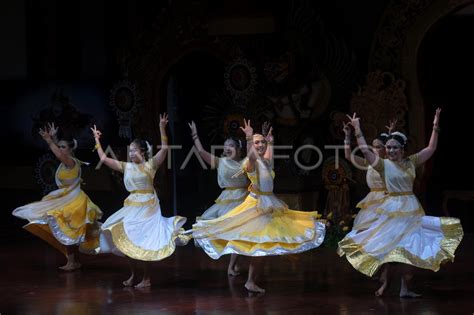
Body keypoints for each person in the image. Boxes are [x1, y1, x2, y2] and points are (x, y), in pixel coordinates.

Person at [338, 109, 463, 297]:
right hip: (392, 209)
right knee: (390, 248)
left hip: (411, 209)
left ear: (403, 149)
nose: (390, 151)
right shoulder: (382, 165)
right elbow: (364, 150)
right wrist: (357, 129)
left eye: (395, 148)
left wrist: (435, 126)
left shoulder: (411, 162)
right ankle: (387, 282)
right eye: (388, 148)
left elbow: (430, 149)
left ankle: (405, 289)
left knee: (408, 247)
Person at [191, 119, 326, 293]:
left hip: (270, 203)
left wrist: (270, 140)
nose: (260, 145)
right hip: (258, 205)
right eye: (257, 142)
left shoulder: (267, 162)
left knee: (265, 246)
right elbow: (251, 155)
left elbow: (268, 154)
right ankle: (249, 280)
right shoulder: (250, 163)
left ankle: (251, 281)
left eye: (261, 142)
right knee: (260, 245)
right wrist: (249, 138)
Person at [91, 113, 189, 288]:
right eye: (129, 151)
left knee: (143, 240)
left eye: (134, 150)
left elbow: (165, 149)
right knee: (126, 239)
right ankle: (133, 274)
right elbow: (104, 159)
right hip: (132, 206)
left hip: (148, 207)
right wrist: (97, 141)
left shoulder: (150, 165)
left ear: (142, 151)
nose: (131, 153)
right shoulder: (126, 166)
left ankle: (146, 278)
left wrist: (162, 128)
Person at [13, 123, 102, 271]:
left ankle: (72, 261)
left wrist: (49, 140)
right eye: (59, 146)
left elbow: (59, 154)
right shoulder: (66, 162)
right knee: (65, 229)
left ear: (70, 149)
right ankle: (74, 261)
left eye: (63, 147)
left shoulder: (71, 162)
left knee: (63, 226)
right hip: (67, 198)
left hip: (74, 201)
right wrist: (53, 138)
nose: (60, 149)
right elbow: (60, 153)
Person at [188, 121, 249, 276]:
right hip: (226, 200)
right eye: (225, 145)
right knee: (224, 230)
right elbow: (201, 151)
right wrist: (195, 134)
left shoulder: (246, 163)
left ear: (239, 149)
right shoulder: (220, 162)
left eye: (231, 146)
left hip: (243, 200)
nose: (227, 148)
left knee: (240, 233)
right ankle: (231, 264)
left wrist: (251, 137)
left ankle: (233, 265)